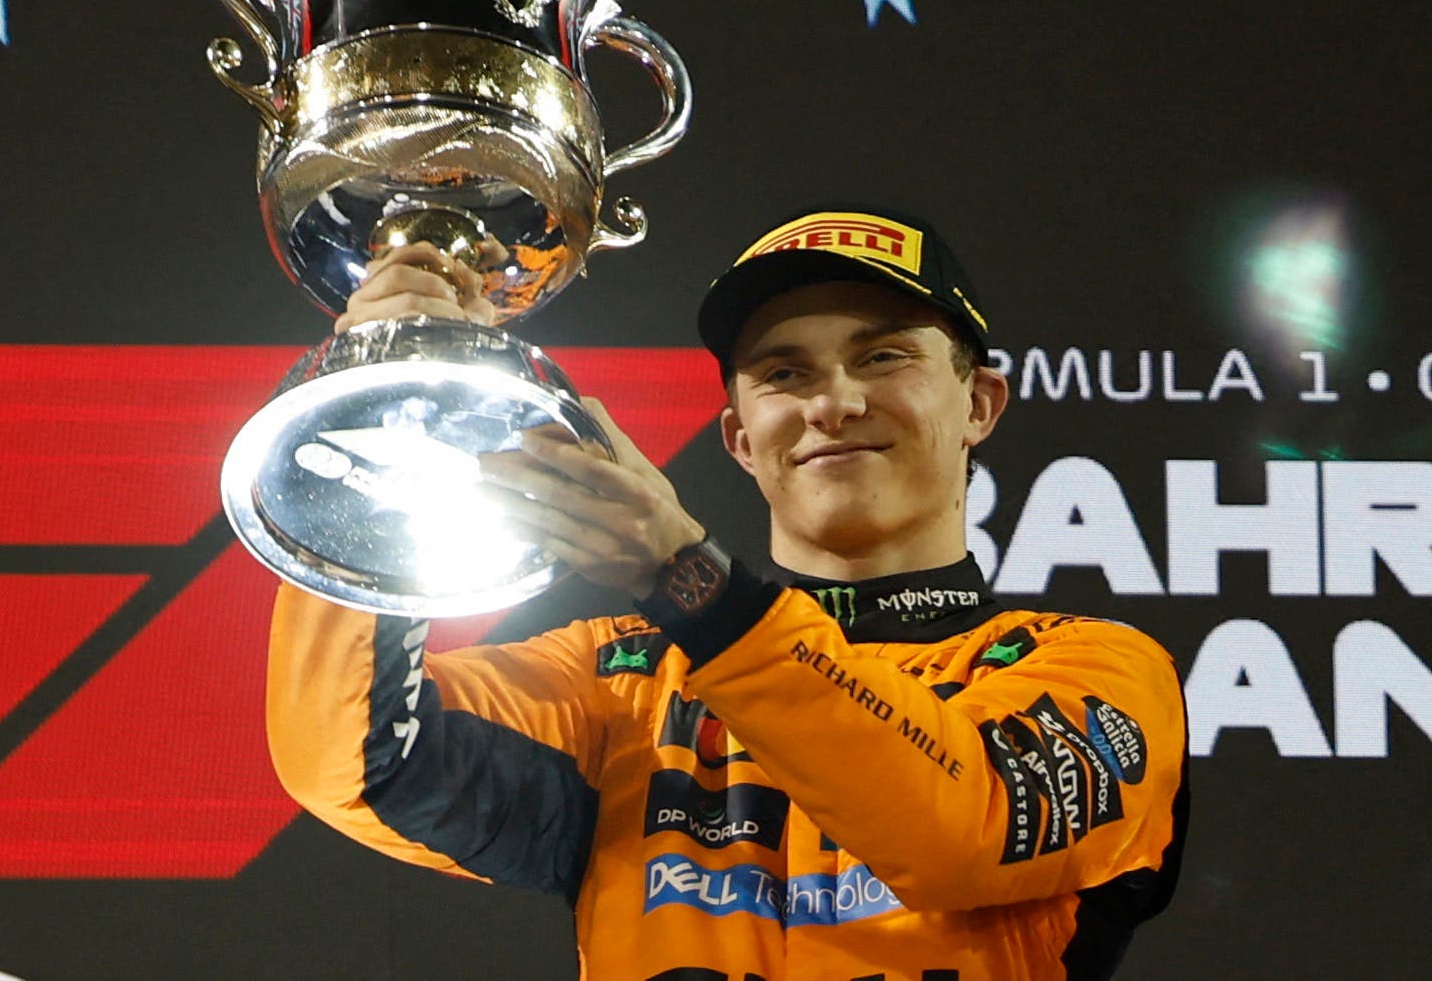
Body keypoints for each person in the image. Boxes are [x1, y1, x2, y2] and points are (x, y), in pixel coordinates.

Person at [265, 209, 1188, 979]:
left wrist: (686, 580)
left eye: (882, 358)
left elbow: (952, 836)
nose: (832, 404)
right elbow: (352, 762)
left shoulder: (1095, 670)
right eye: (785, 374)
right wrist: (383, 399)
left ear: (979, 404)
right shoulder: (620, 679)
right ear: (742, 440)